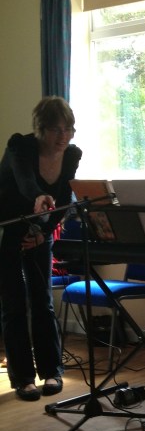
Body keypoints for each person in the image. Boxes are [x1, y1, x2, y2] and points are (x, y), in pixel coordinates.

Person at [0, 97, 82, 401]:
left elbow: (64, 201)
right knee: (14, 305)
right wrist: (38, 195)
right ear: (41, 129)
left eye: (68, 129)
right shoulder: (20, 146)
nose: (63, 136)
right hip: (8, 227)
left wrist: (44, 233)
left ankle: (52, 372)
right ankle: (22, 378)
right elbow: (24, 181)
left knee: (43, 301)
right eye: (56, 130)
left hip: (40, 232)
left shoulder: (72, 155)